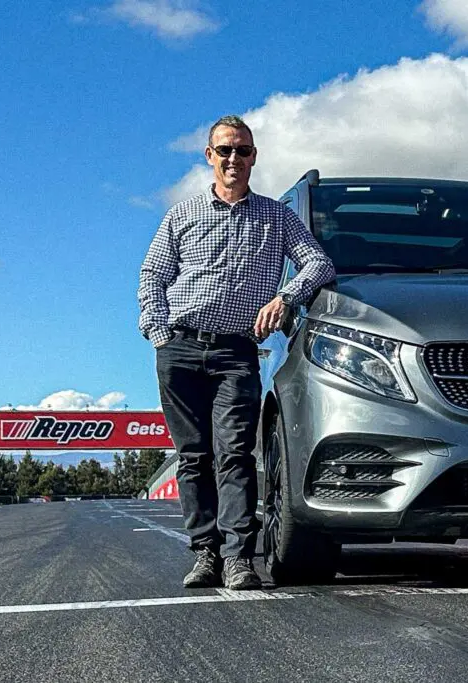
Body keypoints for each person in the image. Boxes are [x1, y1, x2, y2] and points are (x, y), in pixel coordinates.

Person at [137, 115, 335, 590]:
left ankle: (238, 558)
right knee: (193, 456)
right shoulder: (181, 214)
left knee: (235, 454)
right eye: (224, 150)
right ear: (210, 156)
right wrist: (158, 333)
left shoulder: (276, 217)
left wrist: (286, 297)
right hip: (180, 348)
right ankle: (205, 553)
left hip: (236, 355)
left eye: (242, 150)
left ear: (253, 157)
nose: (233, 159)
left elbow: (319, 263)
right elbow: (152, 277)